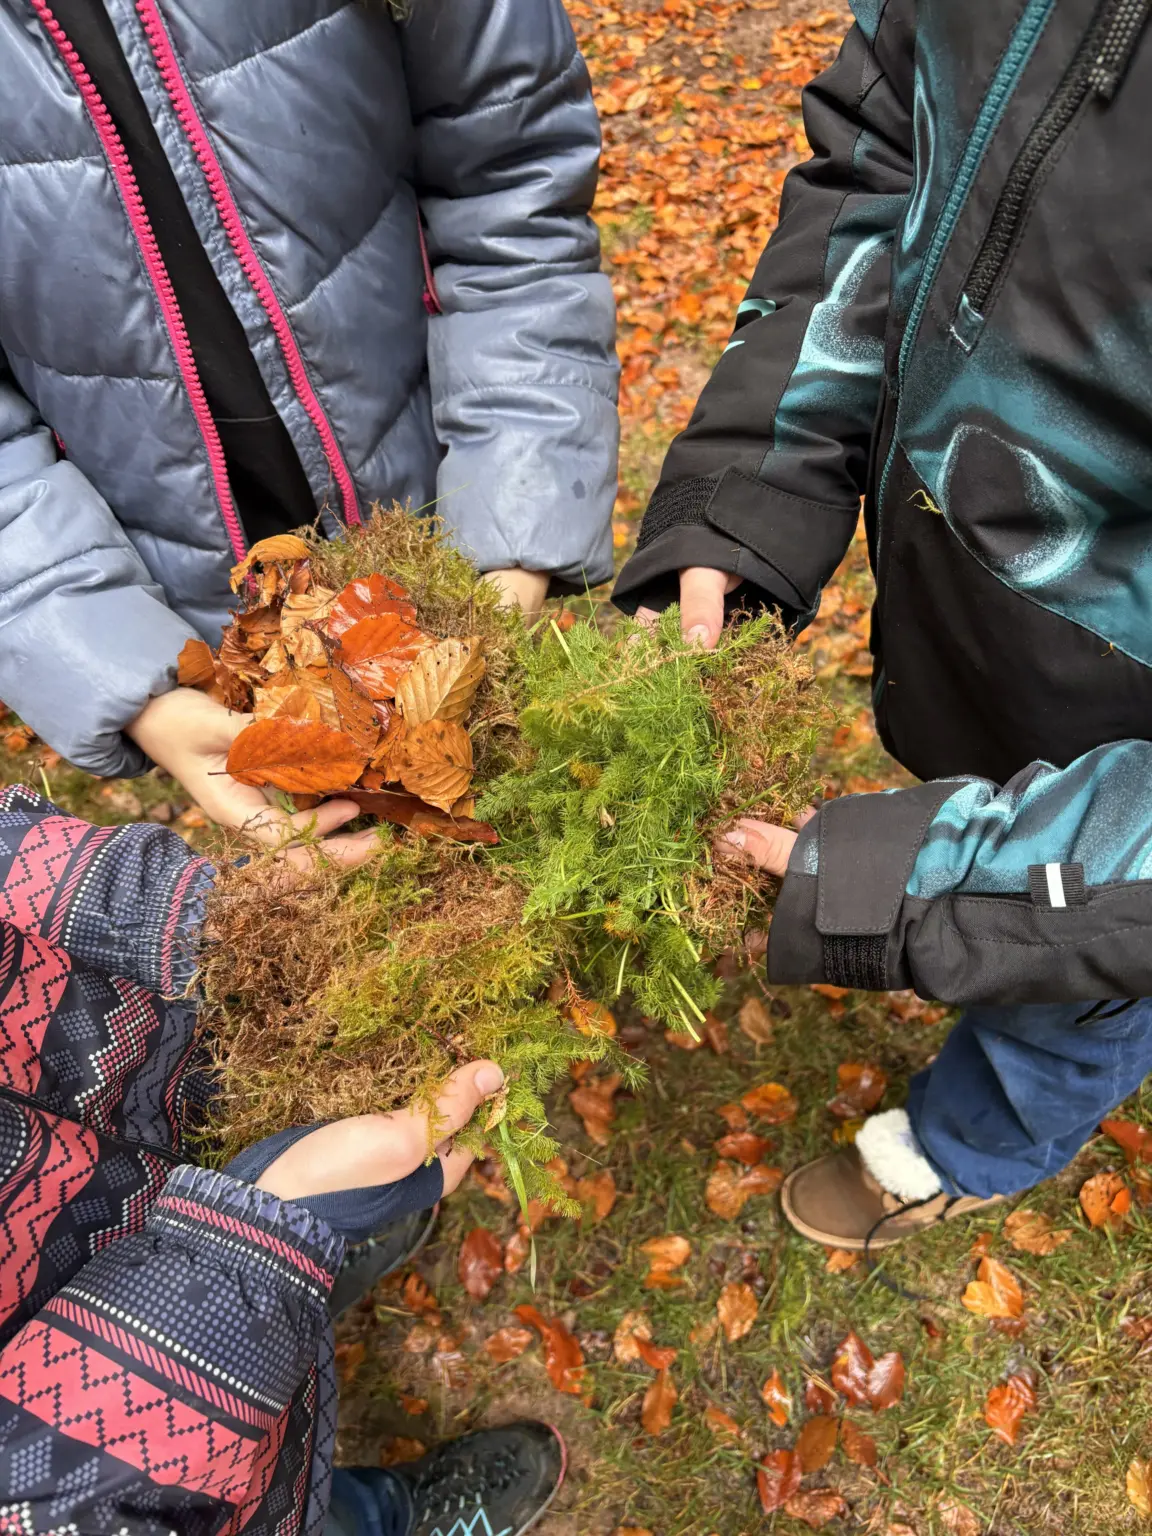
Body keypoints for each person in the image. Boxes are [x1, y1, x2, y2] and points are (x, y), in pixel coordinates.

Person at [614, 0, 1152, 1250]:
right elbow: (885, 139)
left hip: (1124, 763)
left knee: (1074, 995)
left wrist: (940, 887)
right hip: (970, 620)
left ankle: (978, 1144)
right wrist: (755, 485)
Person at [0, 1, 618, 865]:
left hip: (453, 515)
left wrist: (516, 527)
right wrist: (139, 685)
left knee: (548, 840)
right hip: (211, 624)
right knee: (365, 925)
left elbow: (512, 182)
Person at [0, 782, 563, 1536]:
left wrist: (156, 906)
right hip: (129, 1418)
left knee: (258, 1201)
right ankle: (381, 1515)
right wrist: (246, 1254)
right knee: (291, 1507)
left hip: (101, 1055)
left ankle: (311, 1275)